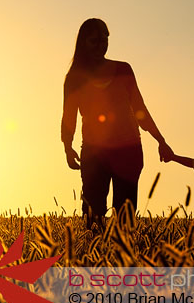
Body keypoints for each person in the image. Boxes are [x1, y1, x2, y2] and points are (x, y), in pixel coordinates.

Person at [61, 18, 174, 230]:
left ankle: (123, 260)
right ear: (83, 43)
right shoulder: (74, 78)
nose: (101, 45)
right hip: (94, 153)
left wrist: (161, 140)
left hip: (128, 150)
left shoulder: (123, 70)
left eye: (105, 39)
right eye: (95, 40)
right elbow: (69, 116)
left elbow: (140, 109)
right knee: (93, 216)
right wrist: (67, 147)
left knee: (125, 216)